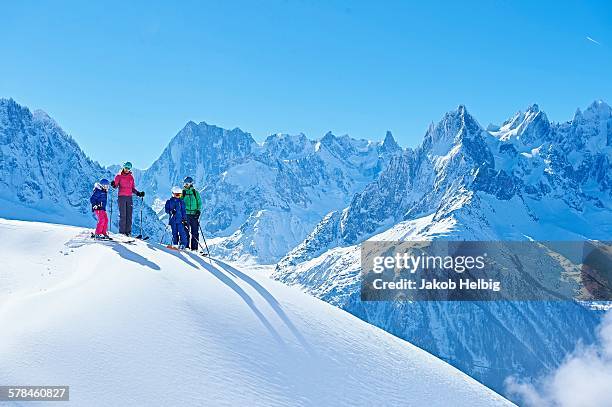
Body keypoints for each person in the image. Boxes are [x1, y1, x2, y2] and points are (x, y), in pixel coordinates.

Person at [111, 162, 144, 236]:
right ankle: (122, 233)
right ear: (123, 167)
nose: (127, 169)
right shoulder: (118, 176)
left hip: (129, 197)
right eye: (126, 167)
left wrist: (138, 193)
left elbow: (132, 188)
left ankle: (128, 232)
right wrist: (113, 184)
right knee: (123, 215)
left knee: (129, 215)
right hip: (122, 197)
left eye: (129, 168)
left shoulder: (131, 177)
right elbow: (115, 186)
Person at [181, 176, 202, 251]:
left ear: (191, 184)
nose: (185, 185)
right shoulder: (183, 193)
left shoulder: (195, 193)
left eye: (186, 183)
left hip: (194, 215)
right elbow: (179, 203)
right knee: (185, 231)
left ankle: (194, 249)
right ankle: (185, 247)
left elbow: (199, 203)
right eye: (184, 183)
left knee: (195, 232)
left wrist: (198, 211)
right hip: (185, 214)